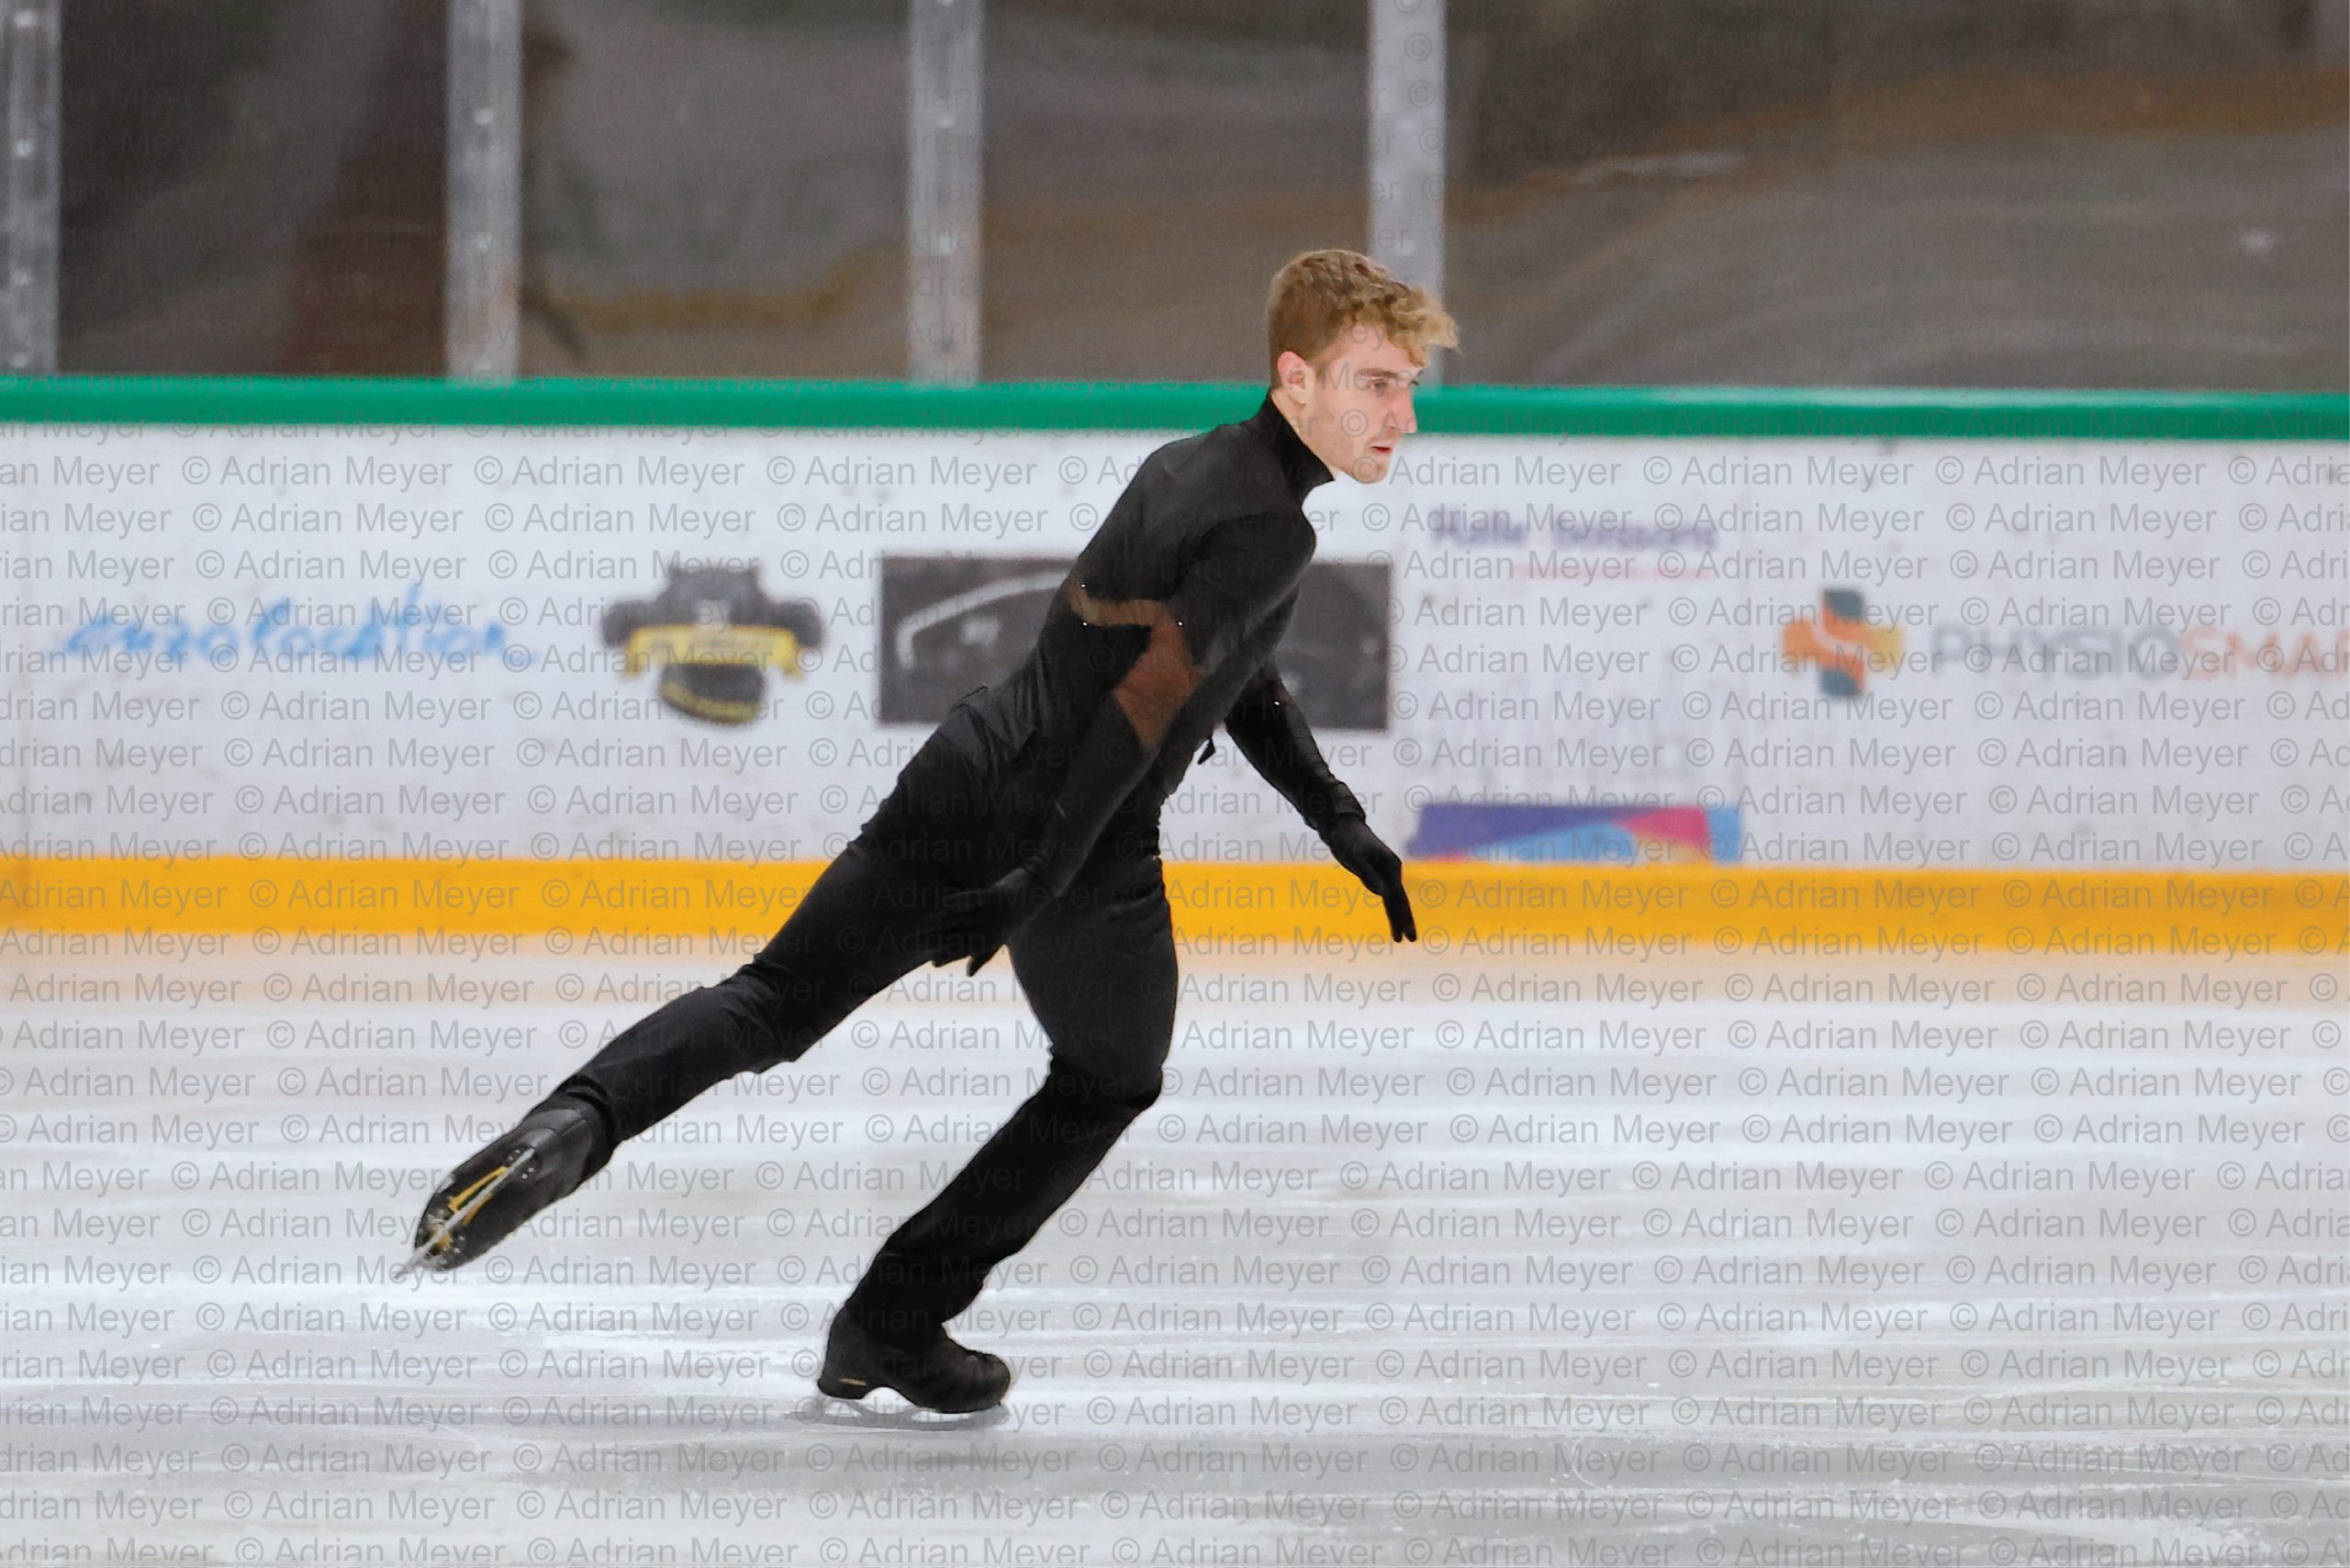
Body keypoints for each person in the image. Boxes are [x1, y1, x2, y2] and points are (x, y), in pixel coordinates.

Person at [406, 248, 1459, 1413]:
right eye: (1374, 383)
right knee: (1111, 1075)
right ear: (1295, 376)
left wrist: (1336, 819)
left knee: (768, 1002)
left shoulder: (1189, 467)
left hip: (968, 765)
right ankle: (893, 1320)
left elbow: (1234, 669)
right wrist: (1039, 877)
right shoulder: (1271, 528)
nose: (1401, 416)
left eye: (1410, 385)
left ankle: (566, 1128)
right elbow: (1143, 707)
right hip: (1081, 826)